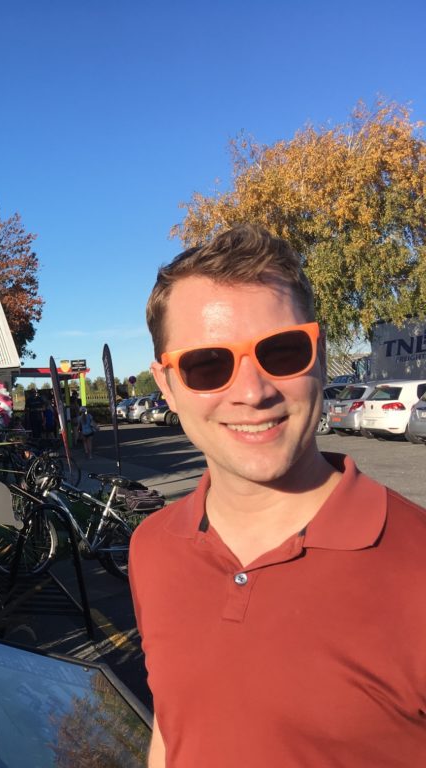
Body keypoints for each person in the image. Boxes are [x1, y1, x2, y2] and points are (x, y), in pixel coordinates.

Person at [130, 224, 426, 766]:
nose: (253, 392)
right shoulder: (152, 547)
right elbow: (172, 731)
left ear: (320, 355)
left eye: (283, 352)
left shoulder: (417, 563)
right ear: (166, 385)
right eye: (207, 365)